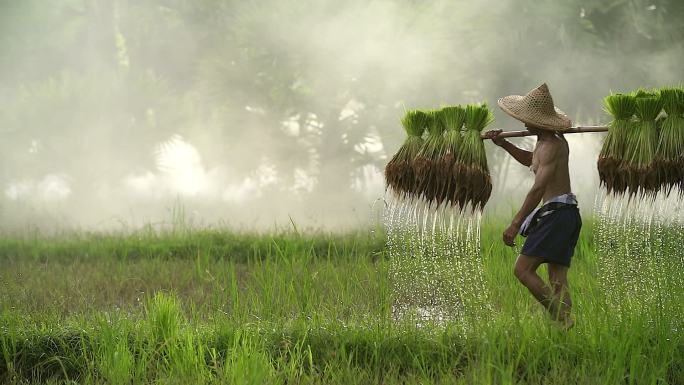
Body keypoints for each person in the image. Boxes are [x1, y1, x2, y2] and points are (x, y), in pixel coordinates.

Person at [484, 83, 582, 330]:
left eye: (528, 119)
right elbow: (531, 160)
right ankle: (566, 331)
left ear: (541, 121)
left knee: (522, 270)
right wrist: (504, 144)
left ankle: (563, 319)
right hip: (564, 214)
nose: (524, 123)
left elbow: (538, 188)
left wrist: (515, 223)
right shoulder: (544, 143)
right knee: (557, 278)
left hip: (558, 215)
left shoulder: (551, 146)